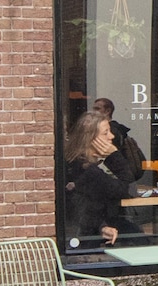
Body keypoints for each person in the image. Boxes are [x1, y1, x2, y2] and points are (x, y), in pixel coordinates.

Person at [62, 111, 141, 248]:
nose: (111, 136)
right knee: (138, 238)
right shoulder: (90, 172)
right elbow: (131, 190)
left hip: (94, 231)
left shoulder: (76, 164)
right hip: (88, 242)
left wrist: (101, 226)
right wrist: (114, 156)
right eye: (105, 133)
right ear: (90, 139)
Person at [90, 97, 145, 184]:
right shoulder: (118, 130)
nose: (94, 112)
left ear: (107, 111)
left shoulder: (114, 131)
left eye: (97, 108)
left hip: (115, 174)